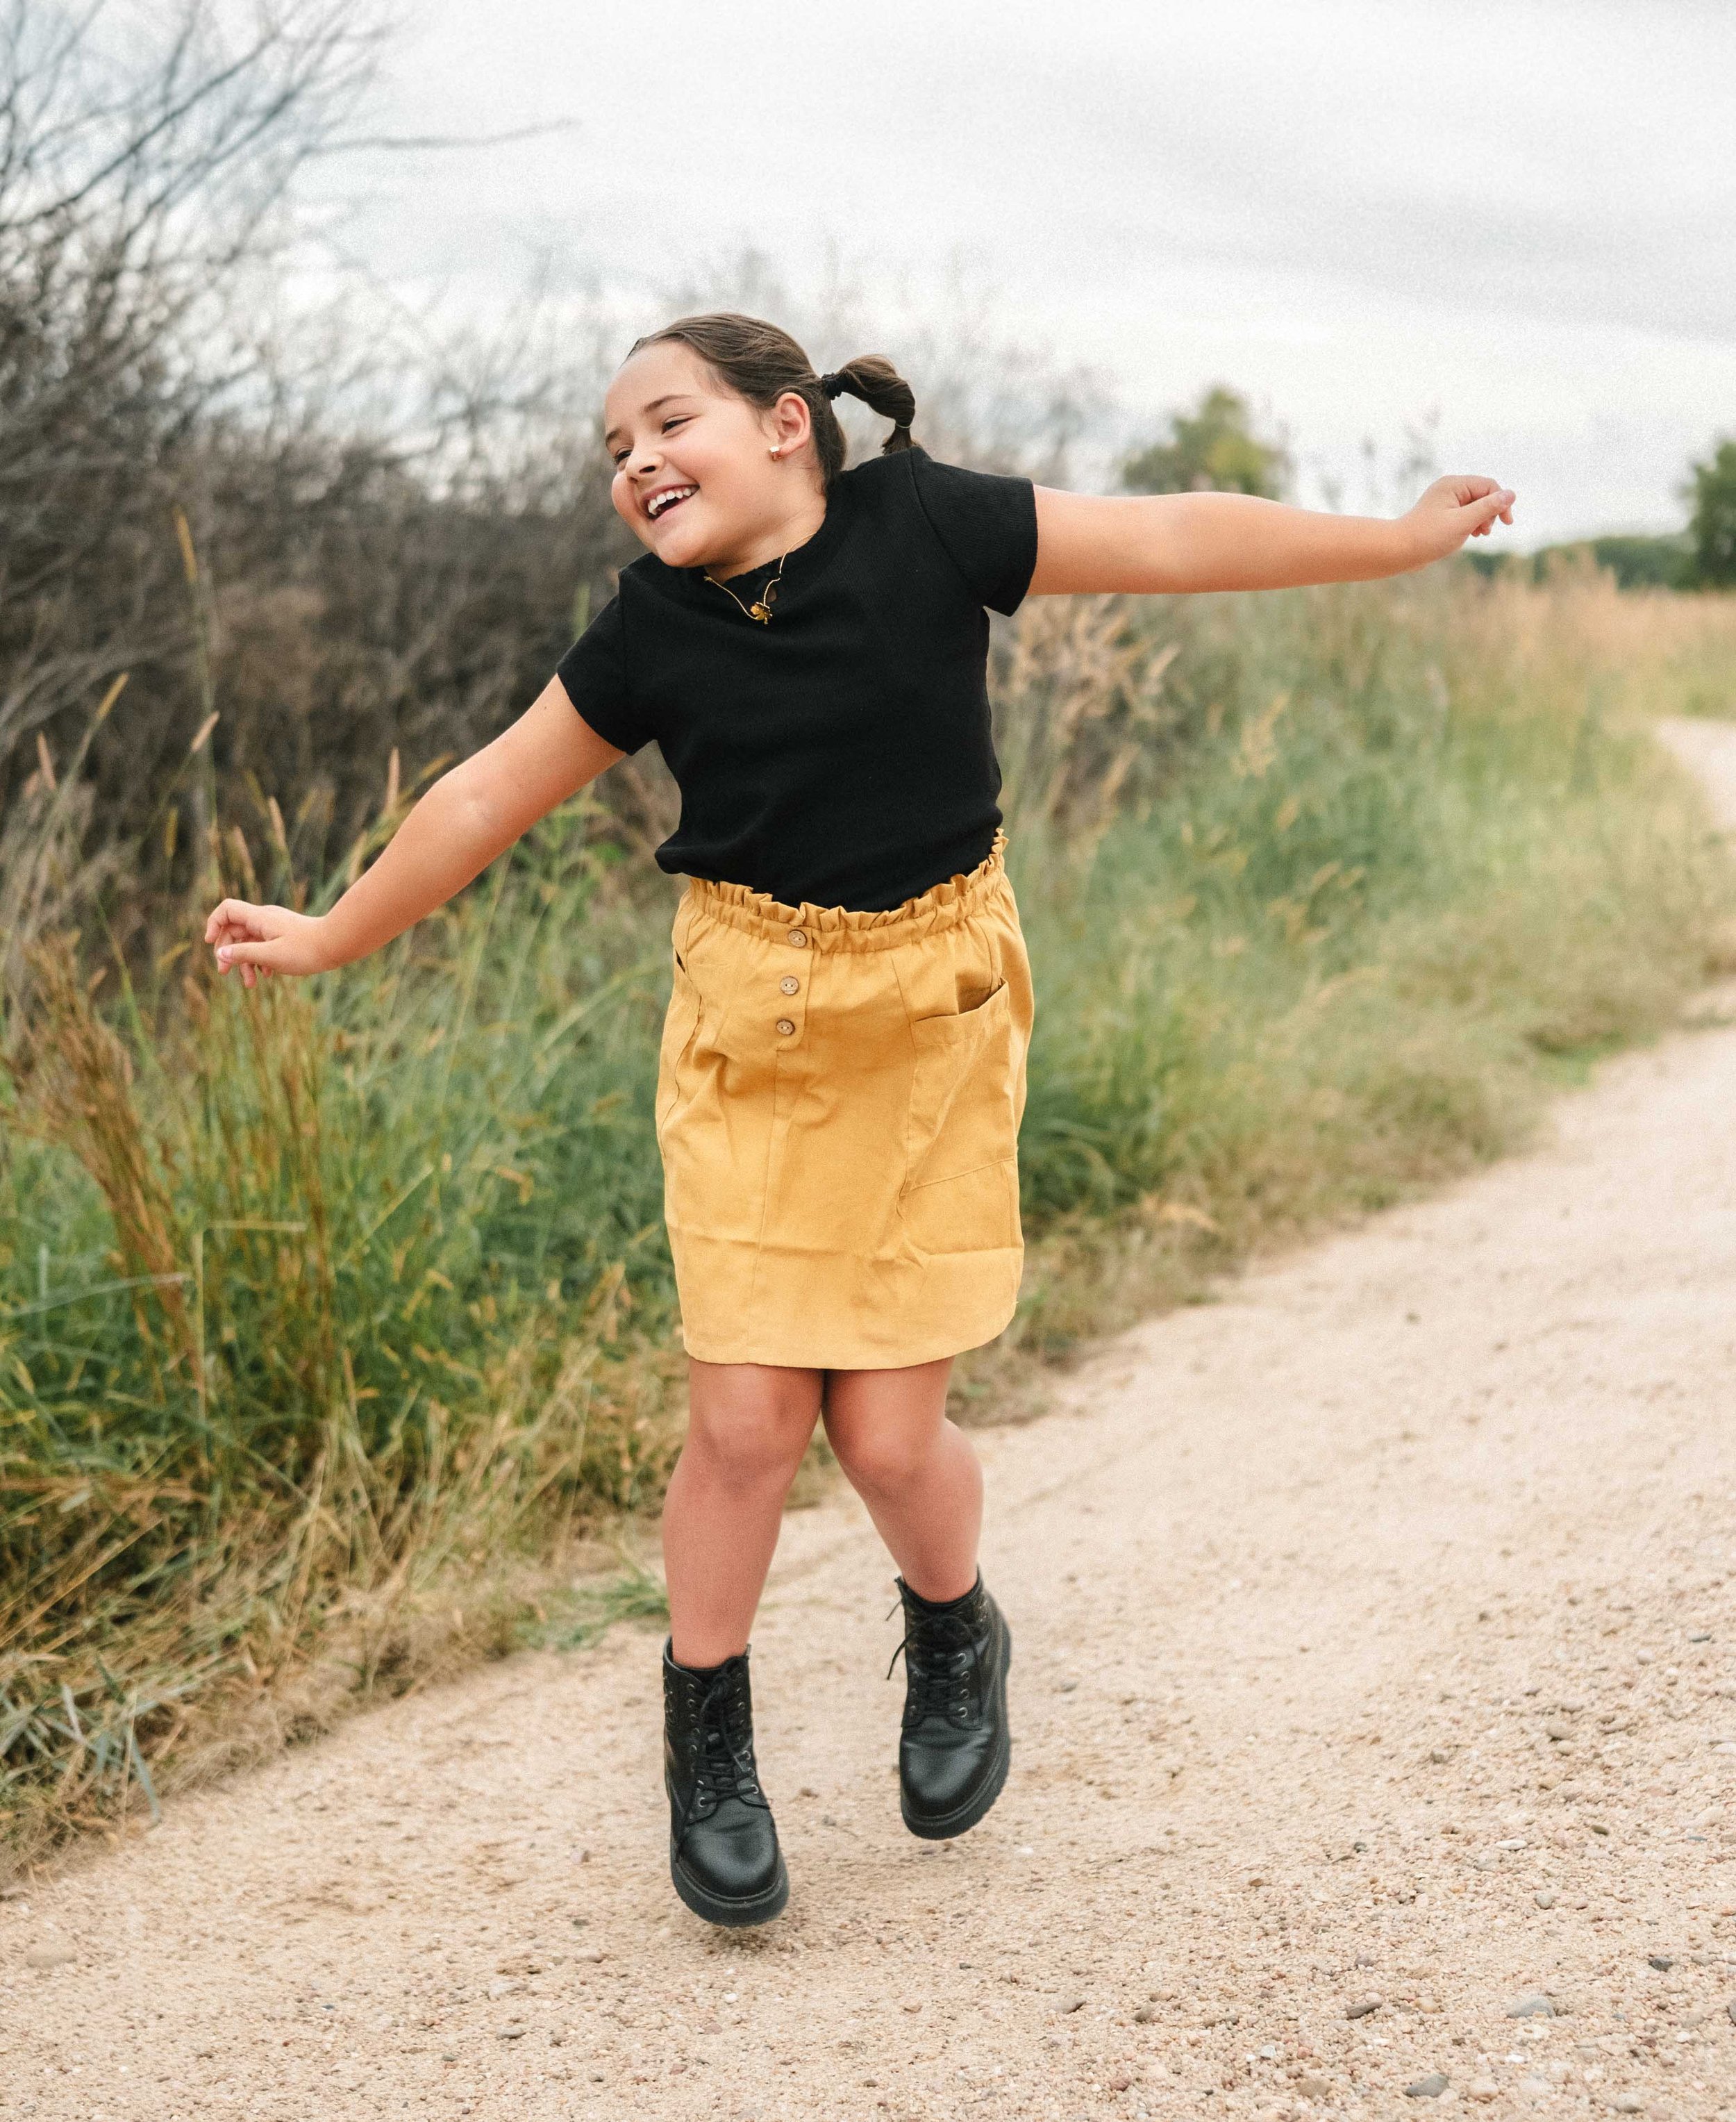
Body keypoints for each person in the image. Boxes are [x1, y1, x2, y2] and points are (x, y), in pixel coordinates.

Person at [205, 313, 1514, 1927]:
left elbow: (1170, 533)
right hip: (748, 1033)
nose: (633, 463)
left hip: (933, 1022)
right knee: (749, 1423)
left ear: (780, 425)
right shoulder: (647, 629)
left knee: (887, 1440)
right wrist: (335, 930)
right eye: (612, 451)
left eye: (663, 423)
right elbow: (485, 788)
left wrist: (1388, 542)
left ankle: (955, 1625)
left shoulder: (927, 524)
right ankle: (709, 1749)